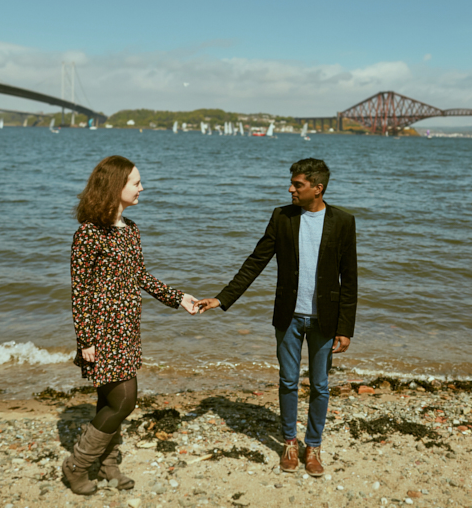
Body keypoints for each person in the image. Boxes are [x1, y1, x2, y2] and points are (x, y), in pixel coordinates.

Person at [196, 158, 357, 477]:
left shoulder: (343, 221)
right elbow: (255, 262)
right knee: (287, 381)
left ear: (317, 188)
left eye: (298, 184)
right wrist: (223, 298)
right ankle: (289, 443)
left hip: (325, 319)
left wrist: (345, 327)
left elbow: (349, 278)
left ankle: (313, 446)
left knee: (321, 386)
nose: (291, 189)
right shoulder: (281, 217)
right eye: (292, 183)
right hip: (289, 317)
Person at [63, 155, 198, 496]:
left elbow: (139, 276)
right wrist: (86, 340)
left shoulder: (131, 230)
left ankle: (108, 465)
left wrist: (177, 297)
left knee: (108, 401)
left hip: (128, 327)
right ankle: (77, 465)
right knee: (124, 401)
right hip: (102, 331)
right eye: (135, 183)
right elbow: (80, 290)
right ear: (115, 187)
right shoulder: (88, 234)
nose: (142, 188)